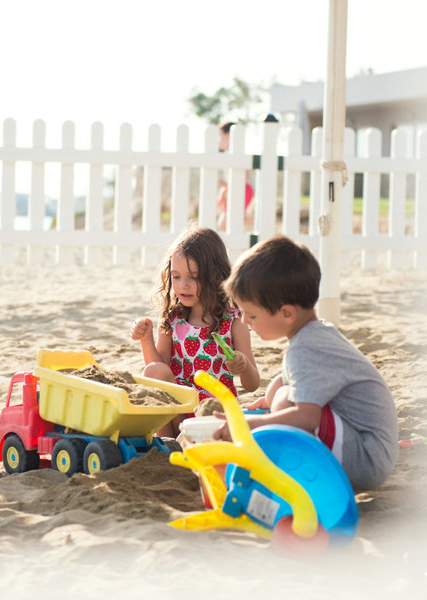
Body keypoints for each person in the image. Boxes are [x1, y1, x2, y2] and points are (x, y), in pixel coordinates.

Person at [215, 235, 397, 491]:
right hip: (368, 448)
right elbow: (297, 380)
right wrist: (268, 403)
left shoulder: (306, 348)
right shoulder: (316, 333)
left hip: (366, 458)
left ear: (287, 313)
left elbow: (307, 417)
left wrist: (248, 424)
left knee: (284, 400)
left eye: (251, 314)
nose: (245, 321)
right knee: (277, 390)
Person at [130, 226, 260, 437]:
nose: (183, 285)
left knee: (210, 414)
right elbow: (158, 372)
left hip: (214, 415)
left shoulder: (233, 320)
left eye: (194, 277)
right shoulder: (172, 317)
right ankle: (166, 444)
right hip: (179, 412)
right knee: (154, 371)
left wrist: (243, 365)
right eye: (176, 276)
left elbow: (252, 384)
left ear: (216, 275)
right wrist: (146, 339)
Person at [216, 121, 254, 231]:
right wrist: (223, 191)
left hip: (243, 190)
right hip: (235, 190)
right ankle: (251, 220)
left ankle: (254, 219)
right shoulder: (226, 155)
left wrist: (224, 186)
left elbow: (244, 176)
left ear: (227, 135)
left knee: (225, 224)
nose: (218, 139)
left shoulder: (237, 154)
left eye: (220, 135)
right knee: (226, 223)